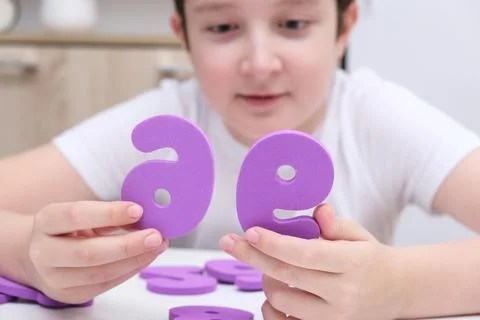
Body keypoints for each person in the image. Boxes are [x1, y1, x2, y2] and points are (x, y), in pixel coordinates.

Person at [1, 0, 479, 318]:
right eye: (223, 27)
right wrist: (25, 250)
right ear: (183, 35)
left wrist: (397, 287)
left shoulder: (378, 118)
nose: (260, 62)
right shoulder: (163, 121)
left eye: (292, 24)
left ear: (344, 28)